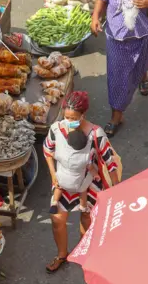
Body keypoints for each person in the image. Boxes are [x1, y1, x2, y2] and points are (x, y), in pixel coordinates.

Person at [43, 91, 120, 273]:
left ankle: (84, 251)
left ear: (83, 115)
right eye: (66, 117)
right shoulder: (56, 129)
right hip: (62, 179)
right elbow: (48, 150)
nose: (68, 121)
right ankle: (62, 255)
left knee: (86, 218)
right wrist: (53, 174)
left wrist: (117, 188)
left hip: (88, 182)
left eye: (73, 118)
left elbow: (109, 161)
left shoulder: (96, 134)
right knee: (57, 219)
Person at [91, 0, 148, 137]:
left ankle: (143, 75)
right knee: (117, 79)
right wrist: (95, 17)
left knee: (141, 63)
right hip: (116, 40)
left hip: (143, 37)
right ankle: (117, 116)